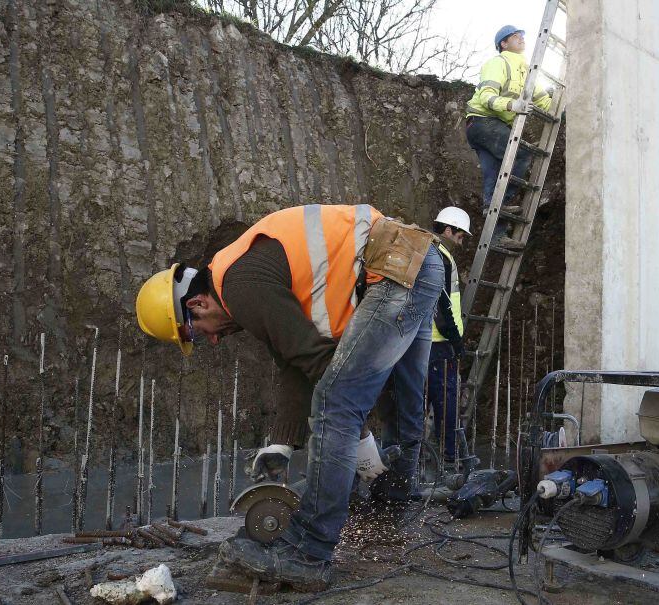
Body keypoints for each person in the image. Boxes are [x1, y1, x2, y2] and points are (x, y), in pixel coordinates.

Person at [135, 204, 444, 590]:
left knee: (335, 403)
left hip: (391, 271)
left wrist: (361, 437)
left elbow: (316, 363)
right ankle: (392, 499)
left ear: (196, 304)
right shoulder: (243, 275)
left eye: (195, 332)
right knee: (400, 396)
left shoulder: (239, 285)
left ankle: (308, 551)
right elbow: (294, 360)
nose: (211, 339)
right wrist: (281, 444)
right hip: (417, 260)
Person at [464, 25, 552, 245]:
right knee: (520, 154)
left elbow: (541, 99)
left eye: (522, 36)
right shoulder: (498, 63)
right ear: (503, 44)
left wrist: (564, 112)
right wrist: (513, 104)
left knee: (494, 178)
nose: (521, 39)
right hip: (483, 122)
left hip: (484, 127)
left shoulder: (525, 69)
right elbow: (486, 96)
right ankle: (500, 204)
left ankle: (496, 235)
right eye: (515, 36)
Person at [426, 207, 469, 464]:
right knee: (446, 403)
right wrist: (455, 340)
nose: (462, 242)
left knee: (422, 402)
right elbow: (442, 305)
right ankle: (449, 458)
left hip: (422, 343)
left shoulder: (427, 251)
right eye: (461, 235)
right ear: (448, 229)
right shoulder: (440, 257)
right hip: (440, 344)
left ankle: (418, 460)